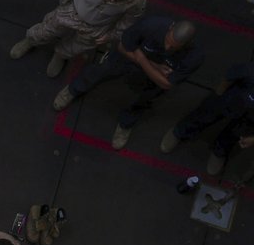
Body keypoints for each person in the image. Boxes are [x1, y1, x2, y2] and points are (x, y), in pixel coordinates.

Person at [52, 16, 204, 150]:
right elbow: (122, 47)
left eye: (173, 47)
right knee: (101, 70)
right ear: (170, 27)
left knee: (146, 99)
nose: (167, 47)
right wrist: (154, 66)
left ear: (188, 44)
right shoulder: (151, 25)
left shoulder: (194, 57)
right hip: (130, 60)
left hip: (145, 68)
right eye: (167, 41)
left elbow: (166, 84)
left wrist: (141, 58)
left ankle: (126, 123)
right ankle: (73, 90)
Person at [10, 0, 144, 78]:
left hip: (97, 27)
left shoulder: (136, 1)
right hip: (72, 10)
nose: (113, 1)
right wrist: (64, 1)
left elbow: (129, 20)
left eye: (119, 1)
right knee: (47, 29)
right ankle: (32, 40)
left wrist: (111, 35)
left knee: (76, 47)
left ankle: (61, 55)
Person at [161, 61, 254, 176]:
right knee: (205, 114)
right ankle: (180, 131)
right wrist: (218, 94)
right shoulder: (249, 70)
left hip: (250, 118)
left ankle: (220, 150)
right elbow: (230, 76)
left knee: (236, 133)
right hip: (230, 99)